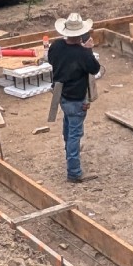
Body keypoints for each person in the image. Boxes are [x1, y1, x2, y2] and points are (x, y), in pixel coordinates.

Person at [47, 12, 102, 183]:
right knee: (75, 134)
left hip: (61, 96)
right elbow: (95, 69)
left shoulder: (56, 46)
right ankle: (74, 172)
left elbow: (51, 60)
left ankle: (70, 152)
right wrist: (89, 50)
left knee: (68, 126)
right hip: (77, 99)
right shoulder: (82, 53)